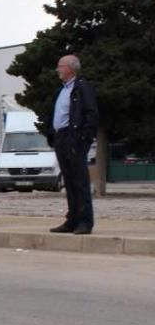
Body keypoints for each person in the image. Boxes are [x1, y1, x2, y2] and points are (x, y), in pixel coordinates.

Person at [46, 54, 98, 235]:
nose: (57, 69)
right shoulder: (61, 90)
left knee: (80, 181)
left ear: (70, 68)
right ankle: (72, 219)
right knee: (68, 180)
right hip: (61, 138)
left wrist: (83, 137)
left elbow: (91, 114)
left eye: (60, 66)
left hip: (74, 137)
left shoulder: (82, 88)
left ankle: (85, 221)